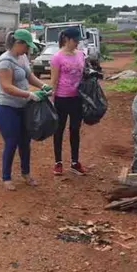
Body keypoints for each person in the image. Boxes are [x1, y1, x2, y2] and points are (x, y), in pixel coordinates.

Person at [0, 29, 52, 191]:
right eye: (26, 46)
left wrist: (42, 85)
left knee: (25, 141)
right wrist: (30, 95)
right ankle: (6, 178)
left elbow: (29, 75)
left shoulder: (22, 57)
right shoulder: (5, 61)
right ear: (18, 43)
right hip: (6, 107)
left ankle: (26, 173)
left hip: (22, 106)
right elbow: (6, 87)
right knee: (11, 141)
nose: (28, 50)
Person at [49, 27, 87, 176]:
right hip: (61, 98)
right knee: (58, 130)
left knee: (75, 130)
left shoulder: (80, 55)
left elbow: (84, 74)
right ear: (67, 40)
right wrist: (51, 100)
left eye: (78, 41)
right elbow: (54, 80)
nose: (77, 44)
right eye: (75, 40)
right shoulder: (57, 57)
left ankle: (74, 161)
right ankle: (58, 162)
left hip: (77, 98)